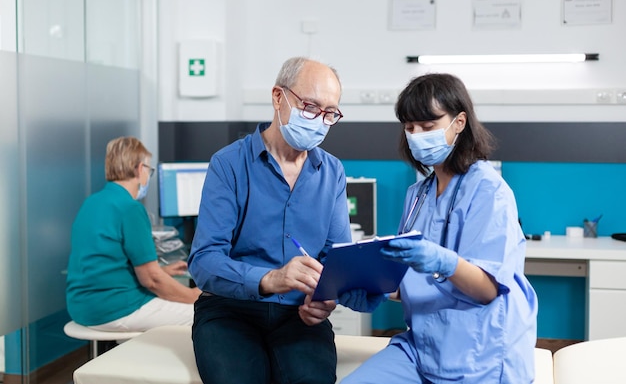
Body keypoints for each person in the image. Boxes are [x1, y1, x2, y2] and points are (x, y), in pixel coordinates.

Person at [339, 73, 538, 383]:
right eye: (409, 127)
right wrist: (372, 289)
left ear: (459, 122)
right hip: (420, 347)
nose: (417, 135)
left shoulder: (489, 191)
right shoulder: (417, 196)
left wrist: (443, 261)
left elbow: (487, 290)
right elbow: (413, 282)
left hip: (477, 355)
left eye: (428, 126)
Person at [188, 57, 352, 384]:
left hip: (299, 315)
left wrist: (324, 297)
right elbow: (204, 261)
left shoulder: (331, 172)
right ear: (279, 97)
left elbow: (336, 256)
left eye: (329, 113)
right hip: (230, 311)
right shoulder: (228, 165)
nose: (319, 120)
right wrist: (269, 279)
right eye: (309, 106)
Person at [66, 136, 200, 333]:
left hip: (81, 307)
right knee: (206, 315)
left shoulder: (92, 202)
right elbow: (151, 281)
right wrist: (193, 296)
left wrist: (162, 271)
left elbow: (105, 267)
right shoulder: (130, 208)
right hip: (114, 309)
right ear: (140, 169)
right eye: (149, 170)